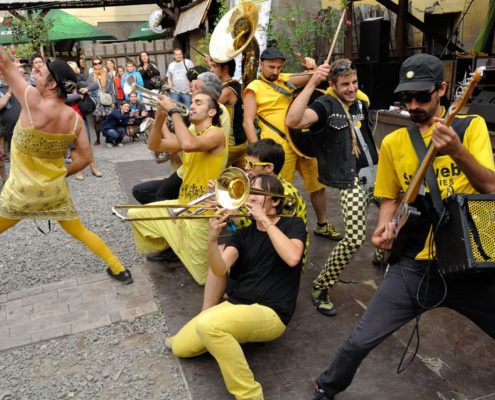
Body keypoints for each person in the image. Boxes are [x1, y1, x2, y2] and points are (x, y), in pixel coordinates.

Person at [311, 53, 495, 400]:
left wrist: (457, 152)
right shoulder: (395, 143)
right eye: (406, 98)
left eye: (421, 97)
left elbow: (490, 187)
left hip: (471, 261)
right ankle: (326, 386)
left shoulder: (469, 128)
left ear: (441, 89)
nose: (413, 105)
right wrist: (384, 226)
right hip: (415, 262)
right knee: (360, 339)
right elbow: (391, 198)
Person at [168, 174, 307, 400]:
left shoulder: (293, 224)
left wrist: (265, 221)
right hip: (237, 304)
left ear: (275, 201)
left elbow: (292, 257)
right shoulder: (242, 235)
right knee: (180, 348)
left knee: (209, 325)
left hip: (272, 312)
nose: (250, 197)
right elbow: (220, 269)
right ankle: (225, 338)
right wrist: (212, 240)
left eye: (258, 193)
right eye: (249, 191)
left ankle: (250, 394)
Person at [0, 53, 133, 285]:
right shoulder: (74, 120)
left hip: (20, 196)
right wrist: (62, 173)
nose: (35, 72)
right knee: (80, 230)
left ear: (52, 84)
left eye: (40, 72)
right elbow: (86, 157)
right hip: (55, 193)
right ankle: (120, 268)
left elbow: (3, 63)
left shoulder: (32, 101)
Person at [286, 59, 378, 316]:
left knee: (394, 218)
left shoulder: (360, 102)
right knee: (355, 239)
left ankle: (383, 254)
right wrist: (312, 82)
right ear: (332, 85)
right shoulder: (325, 105)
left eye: (354, 82)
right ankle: (320, 286)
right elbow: (294, 121)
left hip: (375, 174)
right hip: (350, 180)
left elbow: (367, 138)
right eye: (345, 84)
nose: (351, 88)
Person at [128, 90, 227, 285]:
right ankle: (176, 248)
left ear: (212, 112)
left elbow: (189, 145)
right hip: (184, 203)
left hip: (203, 210)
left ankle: (218, 258)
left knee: (203, 278)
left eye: (198, 103)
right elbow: (155, 145)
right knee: (135, 214)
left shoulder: (216, 133)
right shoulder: (190, 132)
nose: (191, 106)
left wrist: (173, 110)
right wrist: (159, 118)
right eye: (192, 102)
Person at [244, 47, 342, 241]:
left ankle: (322, 224)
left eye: (279, 67)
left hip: (302, 140)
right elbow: (247, 121)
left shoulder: (285, 79)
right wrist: (258, 152)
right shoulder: (253, 88)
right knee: (278, 190)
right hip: (277, 147)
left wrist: (312, 66)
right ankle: (276, 228)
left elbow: (314, 77)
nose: (275, 71)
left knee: (317, 184)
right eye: (271, 67)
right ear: (260, 64)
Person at [202, 138, 308, 311]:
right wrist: (224, 204)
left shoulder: (286, 194)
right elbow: (243, 230)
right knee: (220, 250)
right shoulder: (255, 187)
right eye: (246, 162)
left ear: (269, 168)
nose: (246, 168)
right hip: (259, 244)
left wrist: (235, 206)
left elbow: (271, 235)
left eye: (252, 164)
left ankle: (229, 296)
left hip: (278, 256)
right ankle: (206, 311)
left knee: (224, 253)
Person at [66, 60, 102, 180]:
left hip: (81, 118)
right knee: (73, 146)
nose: (70, 71)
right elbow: (65, 99)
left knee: (86, 144)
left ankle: (93, 167)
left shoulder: (79, 82)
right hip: (68, 119)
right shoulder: (62, 84)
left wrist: (87, 89)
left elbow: (95, 85)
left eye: (72, 69)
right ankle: (78, 170)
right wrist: (78, 96)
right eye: (68, 69)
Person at [210, 58, 247, 167]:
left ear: (225, 68)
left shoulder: (227, 91)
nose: (211, 70)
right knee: (242, 178)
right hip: (241, 141)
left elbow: (208, 108)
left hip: (231, 145)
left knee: (212, 174)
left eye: (214, 66)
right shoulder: (235, 84)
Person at [88, 56, 116, 145]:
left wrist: (113, 101)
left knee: (108, 119)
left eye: (99, 63)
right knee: (97, 120)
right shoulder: (91, 76)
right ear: (93, 65)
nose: (97, 65)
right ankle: (98, 139)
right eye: (95, 64)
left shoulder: (107, 75)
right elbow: (89, 90)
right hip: (96, 100)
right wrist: (93, 101)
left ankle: (109, 138)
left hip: (107, 99)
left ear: (101, 64)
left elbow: (112, 89)